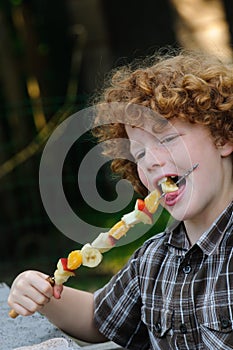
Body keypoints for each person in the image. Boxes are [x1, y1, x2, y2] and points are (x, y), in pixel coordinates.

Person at [8, 49, 233, 349]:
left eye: (166, 139)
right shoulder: (153, 259)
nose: (151, 161)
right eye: (139, 153)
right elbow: (95, 318)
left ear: (223, 137)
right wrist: (43, 294)